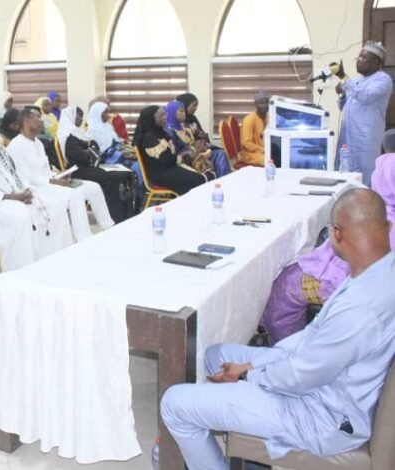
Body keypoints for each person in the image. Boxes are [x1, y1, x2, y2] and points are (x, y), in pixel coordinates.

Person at [161, 188, 395, 470]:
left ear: (337, 234)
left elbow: (302, 376)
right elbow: (311, 337)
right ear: (388, 226)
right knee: (217, 355)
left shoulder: (360, 308)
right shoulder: (377, 271)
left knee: (174, 404)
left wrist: (251, 375)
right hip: (324, 388)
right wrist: (254, 365)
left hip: (319, 414)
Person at [261, 140, 395, 343]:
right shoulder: (385, 213)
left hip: (353, 283)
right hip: (373, 285)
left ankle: (287, 347)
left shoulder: (382, 220)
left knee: (284, 285)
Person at [0, 117, 72, 272]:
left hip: (14, 196)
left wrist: (25, 191)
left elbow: (17, 174)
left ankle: (51, 255)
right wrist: (15, 197)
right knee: (20, 214)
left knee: (54, 205)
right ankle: (21, 266)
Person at [8, 106, 100, 241]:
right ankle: (84, 239)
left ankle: (101, 229)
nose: (41, 121)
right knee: (74, 195)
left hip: (48, 183)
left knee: (91, 188)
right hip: (34, 188)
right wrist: (52, 181)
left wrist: (58, 175)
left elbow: (44, 170)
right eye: (37, 118)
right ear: (27, 121)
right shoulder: (16, 145)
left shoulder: (38, 143)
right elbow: (25, 177)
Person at [58, 105, 134, 223]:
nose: (81, 119)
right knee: (111, 178)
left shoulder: (77, 132)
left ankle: (123, 214)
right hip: (78, 171)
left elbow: (94, 147)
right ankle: (116, 218)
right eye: (79, 116)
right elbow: (82, 155)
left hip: (88, 167)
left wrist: (89, 150)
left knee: (122, 174)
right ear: (72, 116)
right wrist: (89, 150)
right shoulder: (67, 135)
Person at [336, 41, 393, 186]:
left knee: (364, 180)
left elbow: (365, 96)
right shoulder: (359, 81)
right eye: (358, 58)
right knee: (345, 176)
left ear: (376, 61)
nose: (358, 62)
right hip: (348, 138)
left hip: (365, 140)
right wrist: (342, 95)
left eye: (363, 58)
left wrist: (344, 77)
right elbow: (346, 106)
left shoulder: (383, 80)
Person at [132, 106, 211, 195]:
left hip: (170, 168)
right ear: (151, 119)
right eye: (161, 116)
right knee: (199, 180)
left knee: (207, 175)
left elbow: (170, 156)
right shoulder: (148, 138)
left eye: (165, 114)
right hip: (160, 175)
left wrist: (187, 154)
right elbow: (165, 160)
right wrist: (183, 156)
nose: (165, 117)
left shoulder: (160, 132)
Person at [164, 100, 231, 177]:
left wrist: (201, 142)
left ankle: (222, 183)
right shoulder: (169, 131)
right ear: (172, 112)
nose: (184, 114)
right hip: (187, 160)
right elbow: (176, 151)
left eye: (184, 111)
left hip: (198, 154)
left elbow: (194, 141)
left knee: (220, 154)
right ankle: (222, 183)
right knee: (219, 156)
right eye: (181, 111)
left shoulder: (185, 126)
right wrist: (194, 149)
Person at [238, 90, 270, 167]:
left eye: (266, 103)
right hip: (250, 154)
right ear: (255, 104)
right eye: (261, 103)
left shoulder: (269, 117)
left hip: (265, 151)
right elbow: (246, 143)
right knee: (270, 161)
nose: (265, 105)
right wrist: (263, 150)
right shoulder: (249, 119)